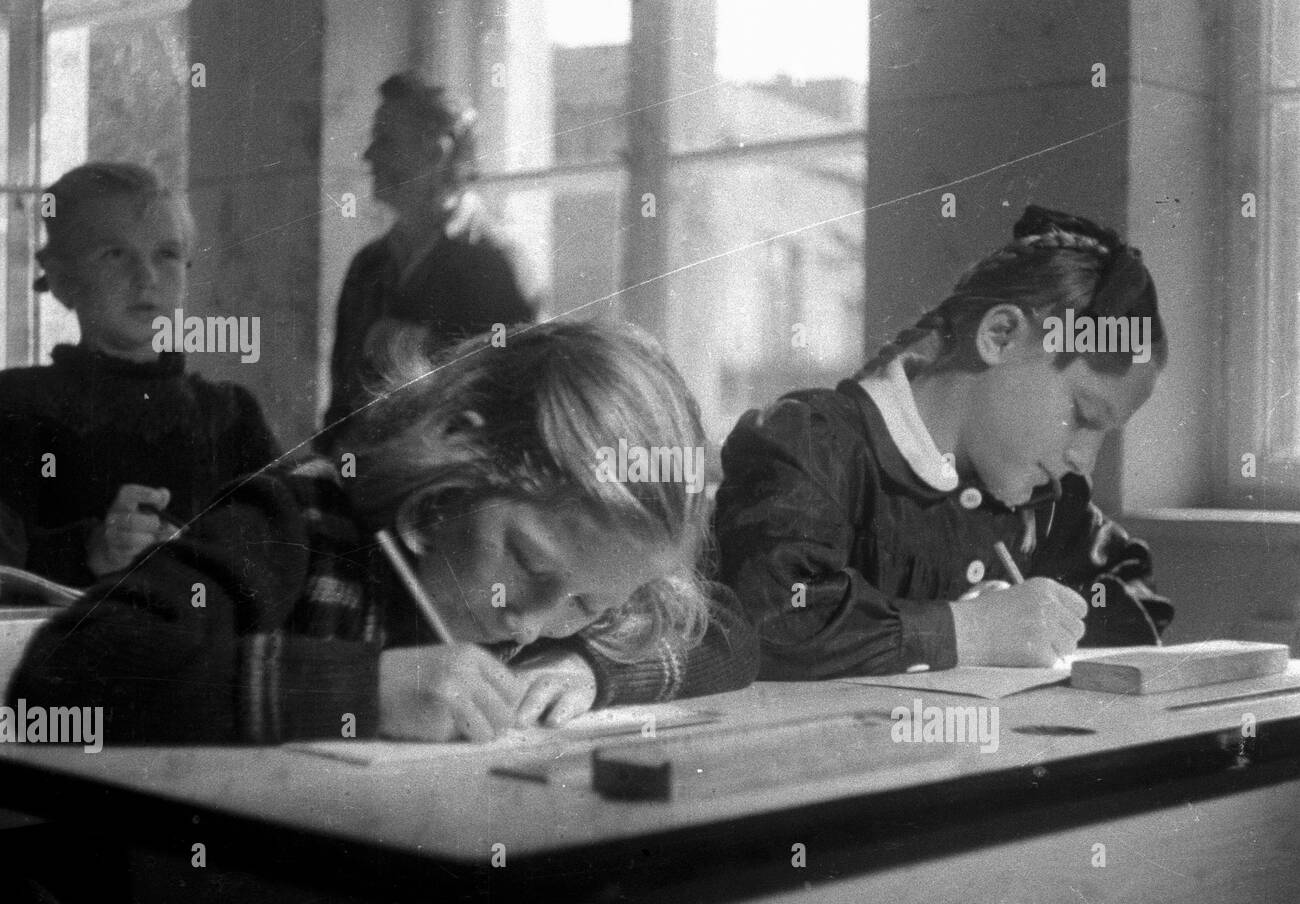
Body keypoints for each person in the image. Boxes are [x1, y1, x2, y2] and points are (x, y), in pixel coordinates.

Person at [12, 319, 758, 743]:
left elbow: (729, 633)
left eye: (587, 606)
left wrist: (590, 667)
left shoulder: (581, 579)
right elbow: (67, 672)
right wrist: (363, 689)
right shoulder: (292, 529)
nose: (531, 621)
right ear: (455, 467)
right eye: (526, 561)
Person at [714, 206, 1173, 679]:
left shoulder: (1043, 497)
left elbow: (1131, 588)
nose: (1084, 459)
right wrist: (969, 631)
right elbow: (772, 618)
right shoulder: (813, 447)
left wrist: (1044, 625)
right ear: (1001, 335)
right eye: (1083, 415)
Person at [0, 162, 277, 586]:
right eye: (114, 254)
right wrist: (92, 551)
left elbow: (282, 560)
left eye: (166, 254)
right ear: (61, 279)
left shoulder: (232, 416)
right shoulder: (16, 407)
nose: (146, 277)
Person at [324, 72, 538, 442]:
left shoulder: (499, 265)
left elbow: (512, 410)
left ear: (436, 152)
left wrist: (425, 348)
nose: (368, 155)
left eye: (385, 140)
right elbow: (340, 417)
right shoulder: (367, 266)